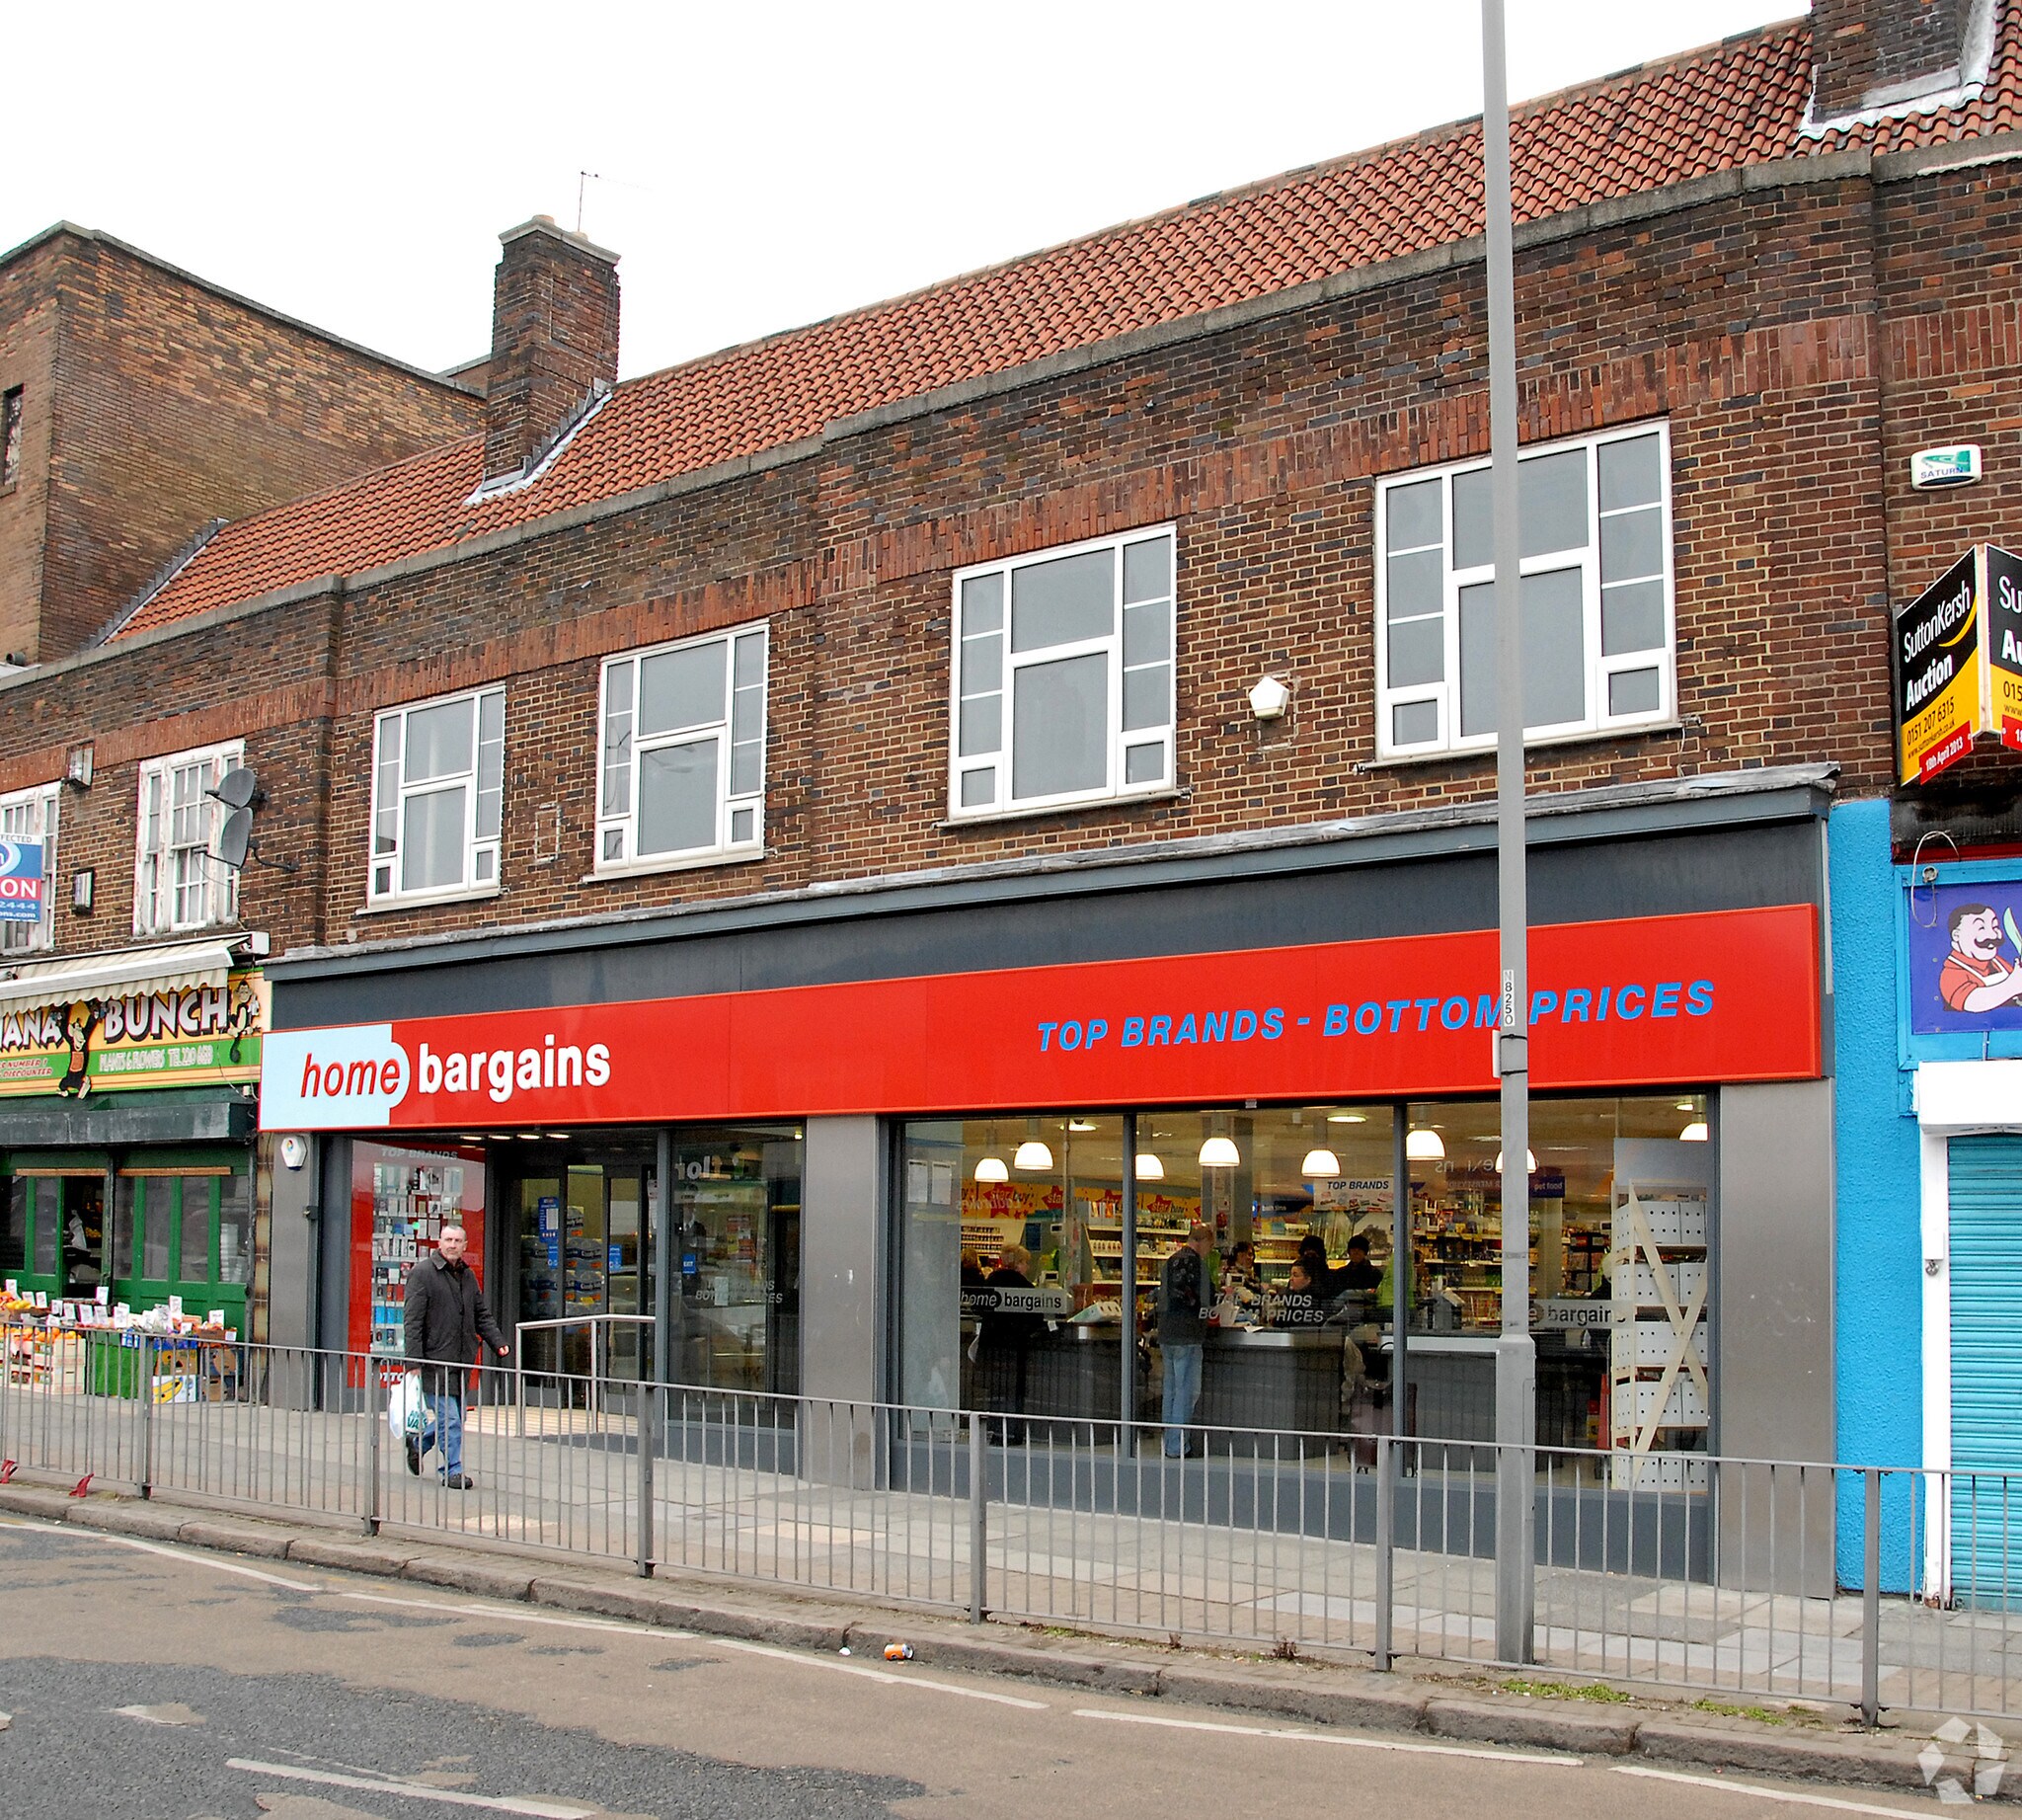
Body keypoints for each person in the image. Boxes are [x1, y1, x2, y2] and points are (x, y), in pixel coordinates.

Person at [403, 1224, 508, 1489]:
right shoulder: (423, 1273)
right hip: (433, 1361)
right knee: (450, 1420)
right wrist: (413, 1361)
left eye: (457, 1240)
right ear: (439, 1243)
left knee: (456, 1419)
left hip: (461, 1359)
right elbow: (412, 1321)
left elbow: (481, 1314)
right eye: (448, 1239)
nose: (452, 1245)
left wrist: (498, 1342)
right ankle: (451, 1470)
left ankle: (418, 1441)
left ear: (465, 1245)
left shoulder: (467, 1276)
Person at [1159, 1222, 1212, 1458]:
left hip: (1167, 1332)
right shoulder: (1196, 1264)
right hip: (1188, 1333)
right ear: (1202, 1241)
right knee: (1186, 1390)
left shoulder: (1170, 1261)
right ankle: (1179, 1445)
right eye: (1210, 1246)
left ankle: (1169, 1442)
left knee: (1170, 1389)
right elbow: (1205, 1298)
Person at [980, 1243, 1044, 1442]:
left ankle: (995, 1431)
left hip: (992, 1343)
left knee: (996, 1390)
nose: (1027, 1267)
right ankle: (1013, 1432)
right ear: (1018, 1263)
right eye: (1025, 1262)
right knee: (1014, 1391)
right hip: (1014, 1345)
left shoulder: (991, 1280)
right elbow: (1036, 1317)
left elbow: (980, 1307)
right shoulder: (1023, 1286)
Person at [1938, 903, 2022, 1013]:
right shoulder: (1952, 972)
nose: (1993, 935)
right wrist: (2012, 986)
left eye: (1995, 926)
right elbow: (1971, 1001)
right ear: (1956, 936)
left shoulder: (1997, 963)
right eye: (1981, 928)